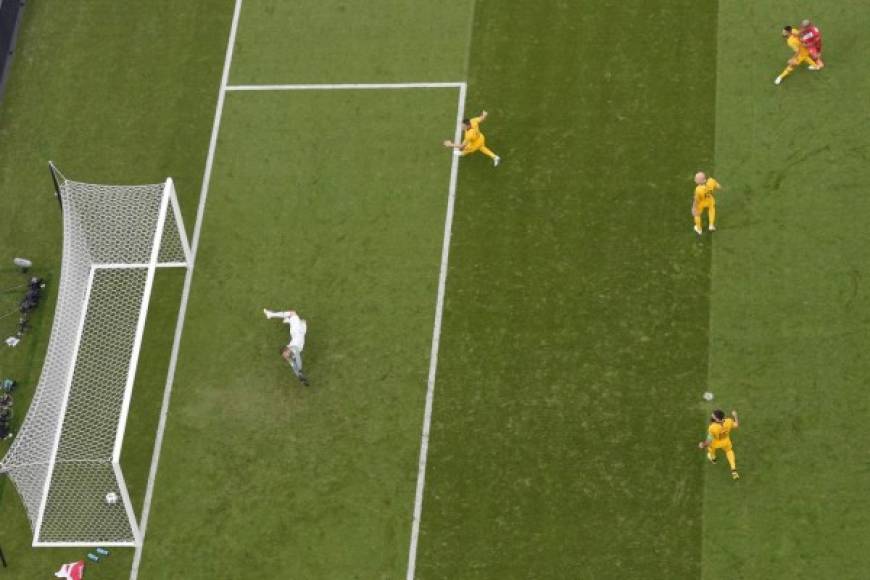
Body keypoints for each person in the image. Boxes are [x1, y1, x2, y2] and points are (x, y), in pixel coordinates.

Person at [263, 308, 309, 386]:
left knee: (296, 317)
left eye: (284, 355)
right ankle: (272, 315)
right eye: (285, 356)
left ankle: (286, 319)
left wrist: (300, 373)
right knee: (294, 314)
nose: (285, 357)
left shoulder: (293, 348)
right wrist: (300, 376)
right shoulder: (294, 350)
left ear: (287, 350)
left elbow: (296, 364)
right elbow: (296, 364)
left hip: (295, 332)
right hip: (299, 331)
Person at [699, 409, 740, 480]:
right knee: (729, 451)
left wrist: (702, 445)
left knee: (711, 449)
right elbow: (736, 425)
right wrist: (735, 416)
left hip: (715, 443)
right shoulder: (729, 421)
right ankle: (734, 471)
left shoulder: (712, 427)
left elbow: (708, 441)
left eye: (713, 417)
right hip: (726, 442)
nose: (712, 417)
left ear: (718, 419)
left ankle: (713, 460)